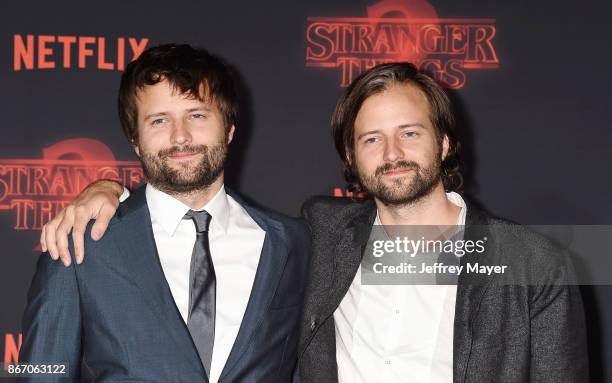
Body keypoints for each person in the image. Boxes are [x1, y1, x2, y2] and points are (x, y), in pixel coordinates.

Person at [40, 63, 588, 382]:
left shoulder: (534, 264)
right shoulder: (319, 236)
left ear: (445, 141)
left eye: (411, 133)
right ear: (351, 156)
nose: (392, 152)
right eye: (371, 138)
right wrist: (106, 189)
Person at [20, 43, 310, 383]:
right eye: (159, 120)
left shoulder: (293, 243)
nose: (180, 136)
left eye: (197, 115)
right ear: (136, 141)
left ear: (230, 128)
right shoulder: (81, 244)